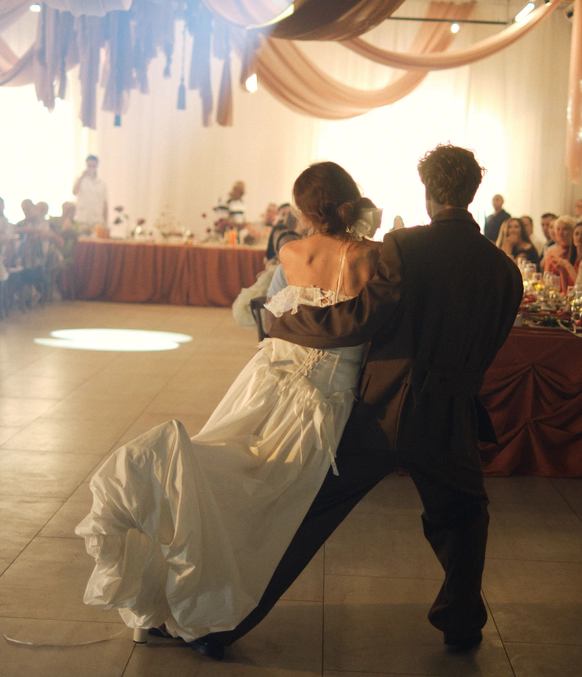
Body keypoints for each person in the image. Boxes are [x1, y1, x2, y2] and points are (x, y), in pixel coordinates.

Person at [199, 144, 523, 659]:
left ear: (428, 191)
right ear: (473, 192)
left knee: (308, 515)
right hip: (452, 419)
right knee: (465, 518)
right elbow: (495, 344)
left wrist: (280, 319)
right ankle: (461, 623)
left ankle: (221, 625)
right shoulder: (505, 270)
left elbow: (355, 322)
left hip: (386, 412)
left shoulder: (405, 247)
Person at [75, 161, 382, 654]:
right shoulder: (370, 257)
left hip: (266, 382)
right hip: (322, 401)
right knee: (268, 508)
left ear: (304, 210)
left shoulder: (291, 252)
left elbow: (278, 316)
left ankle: (177, 574)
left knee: (231, 464)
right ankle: (208, 605)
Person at [72, 155, 108, 233]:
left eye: (93, 166)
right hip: (82, 219)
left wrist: (105, 223)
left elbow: (105, 204)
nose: (91, 168)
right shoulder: (80, 179)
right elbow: (74, 192)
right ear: (86, 165)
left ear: (97, 166)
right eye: (89, 165)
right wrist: (82, 177)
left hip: (97, 220)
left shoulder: (102, 183)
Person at [543, 215, 577, 294]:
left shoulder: (576, 253)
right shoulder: (551, 253)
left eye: (565, 229)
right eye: (558, 229)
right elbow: (546, 278)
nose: (560, 233)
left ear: (572, 231)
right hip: (554, 293)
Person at [554, 220, 582, 286]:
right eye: (576, 234)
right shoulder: (574, 257)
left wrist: (568, 265)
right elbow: (566, 289)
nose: (579, 237)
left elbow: (580, 285)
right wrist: (561, 272)